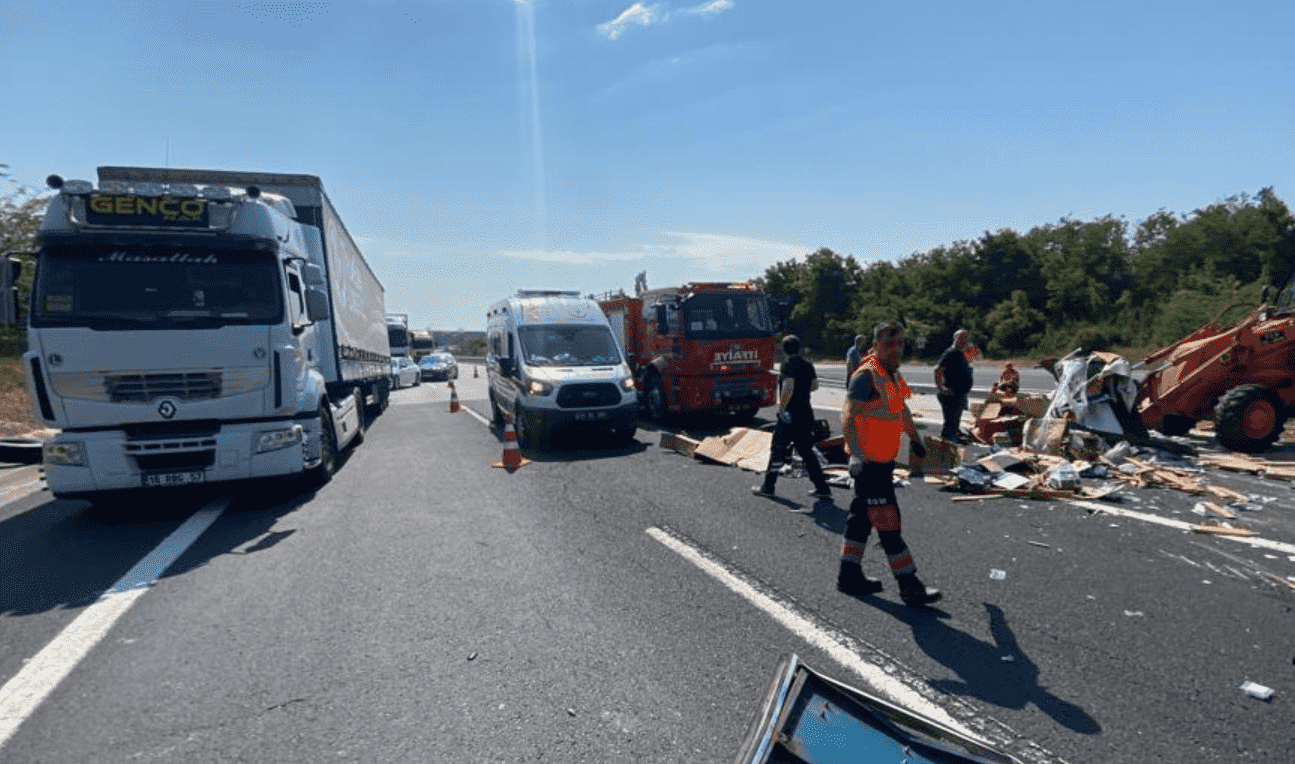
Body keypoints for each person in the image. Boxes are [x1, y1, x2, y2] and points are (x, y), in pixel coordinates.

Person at [837, 321, 941, 606]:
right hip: (868, 465)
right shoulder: (867, 376)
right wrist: (856, 453)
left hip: (883, 462)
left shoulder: (891, 376)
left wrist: (916, 439)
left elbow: (901, 410)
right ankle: (910, 585)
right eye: (888, 344)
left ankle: (848, 575)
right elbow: (847, 413)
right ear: (876, 346)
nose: (896, 349)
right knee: (888, 523)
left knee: (860, 520)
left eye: (899, 344)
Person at [753, 334, 833, 500]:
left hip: (790, 415)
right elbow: (814, 385)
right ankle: (822, 488)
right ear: (798, 348)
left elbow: (788, 385)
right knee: (806, 451)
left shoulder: (787, 365)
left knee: (777, 451)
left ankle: (768, 487)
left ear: (783, 350)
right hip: (805, 413)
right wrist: (802, 392)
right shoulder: (807, 364)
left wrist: (782, 408)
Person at [934, 329, 976, 443]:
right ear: (956, 339)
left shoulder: (960, 354)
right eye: (963, 338)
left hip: (959, 394)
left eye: (966, 338)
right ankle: (945, 447)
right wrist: (941, 387)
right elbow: (938, 370)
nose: (966, 341)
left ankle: (952, 441)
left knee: (954, 422)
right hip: (951, 394)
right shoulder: (951, 353)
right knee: (950, 423)